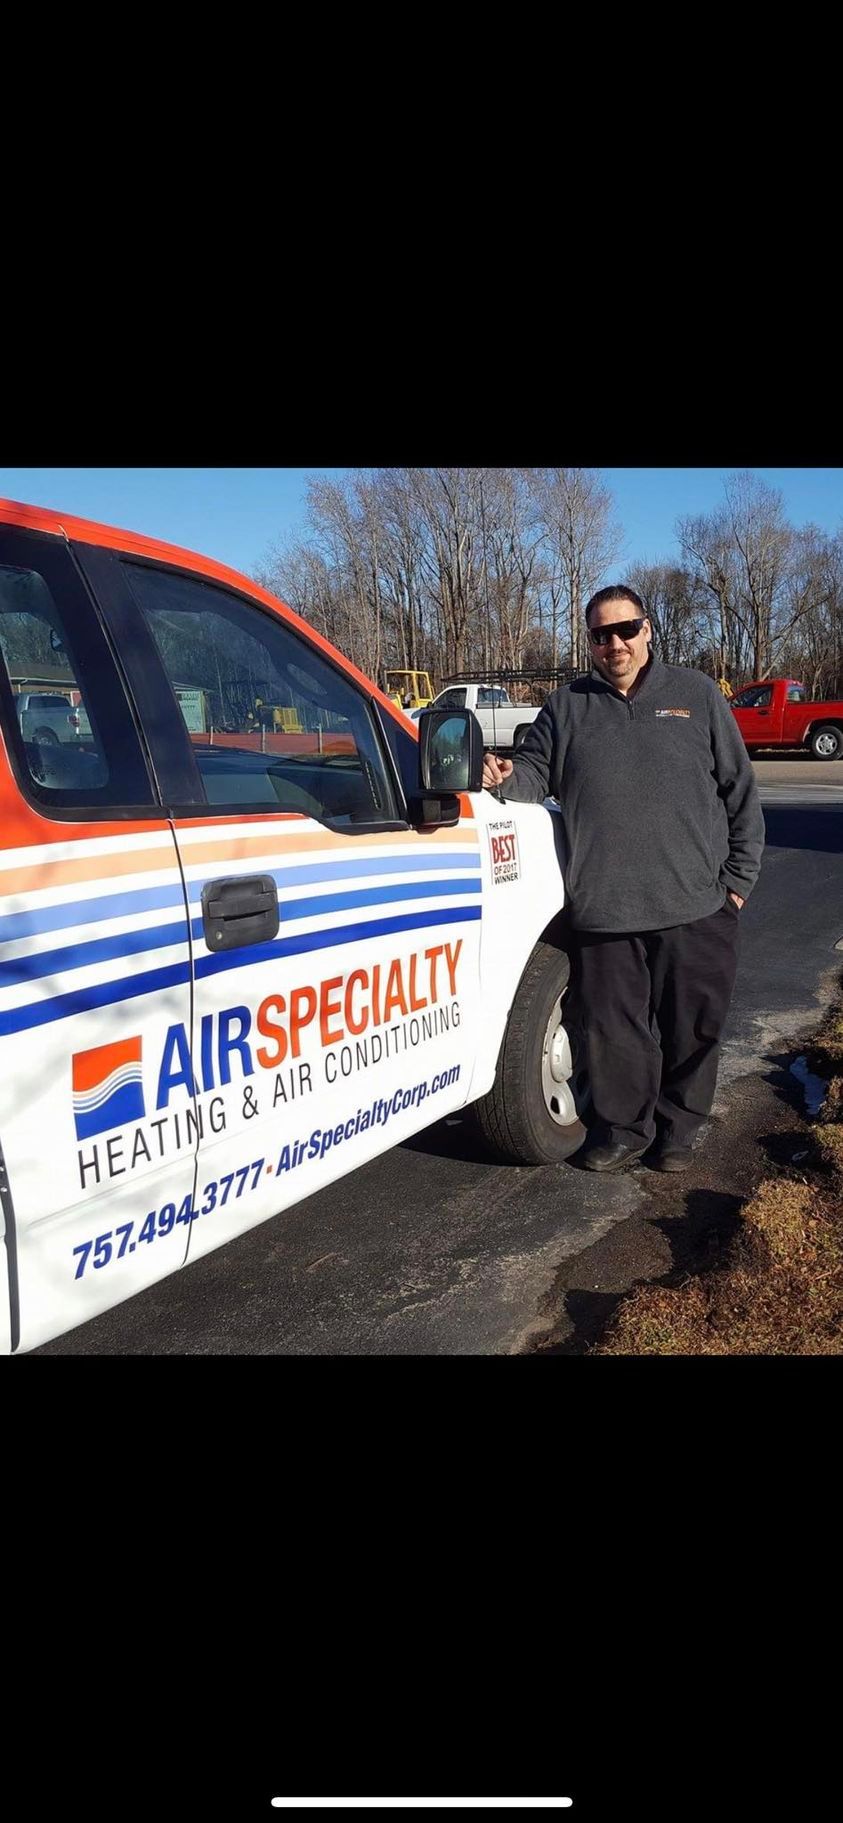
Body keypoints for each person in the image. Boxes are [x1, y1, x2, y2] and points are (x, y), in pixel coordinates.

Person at [482, 585, 765, 1172]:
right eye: (601, 634)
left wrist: (737, 881)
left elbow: (739, 791)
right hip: (606, 908)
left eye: (625, 629)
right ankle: (623, 1131)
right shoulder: (567, 707)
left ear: (648, 631)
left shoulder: (697, 694)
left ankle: (679, 1132)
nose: (614, 643)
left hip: (696, 903)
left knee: (693, 1029)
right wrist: (504, 776)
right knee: (614, 1034)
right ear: (590, 642)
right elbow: (535, 772)